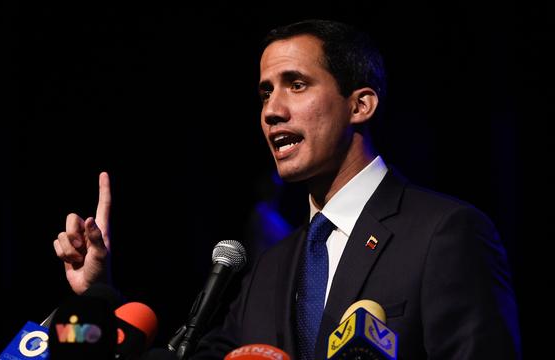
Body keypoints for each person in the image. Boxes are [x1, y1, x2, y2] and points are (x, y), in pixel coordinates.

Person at [53, 19, 521, 359]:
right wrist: (96, 295)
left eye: (296, 85)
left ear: (360, 105)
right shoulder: (268, 270)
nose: (272, 111)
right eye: (264, 93)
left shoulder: (445, 234)